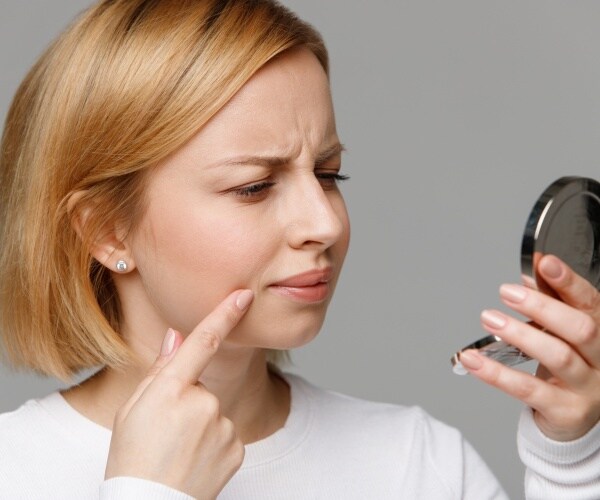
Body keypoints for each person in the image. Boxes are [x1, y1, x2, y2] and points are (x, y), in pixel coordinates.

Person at [0, 1, 599, 498]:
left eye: (329, 173)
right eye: (253, 186)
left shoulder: (419, 468)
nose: (324, 223)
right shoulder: (15, 472)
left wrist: (571, 460)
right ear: (106, 229)